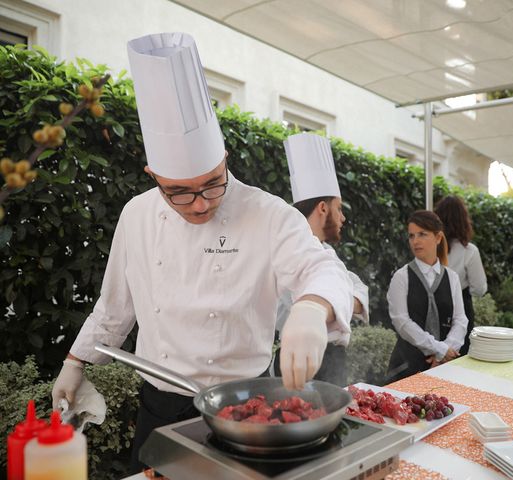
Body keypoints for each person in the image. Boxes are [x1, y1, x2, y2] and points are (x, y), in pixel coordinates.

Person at [49, 32, 352, 473]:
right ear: (154, 175)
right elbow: (115, 308)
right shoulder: (136, 216)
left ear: (225, 159)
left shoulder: (267, 212)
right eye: (179, 192)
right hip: (159, 407)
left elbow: (321, 267)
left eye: (213, 183)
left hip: (247, 408)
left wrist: (312, 307)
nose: (200, 203)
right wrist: (75, 363)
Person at [273, 132, 369, 387]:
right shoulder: (284, 248)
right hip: (297, 358)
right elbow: (350, 293)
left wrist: (330, 303)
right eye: (339, 208)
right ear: (323, 208)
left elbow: (361, 289)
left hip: (333, 358)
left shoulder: (326, 253)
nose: (343, 218)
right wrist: (336, 302)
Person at [386, 210, 468, 383]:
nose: (415, 241)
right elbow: (402, 322)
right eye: (411, 236)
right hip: (407, 368)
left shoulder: (452, 277)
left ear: (438, 238)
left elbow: (460, 320)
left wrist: (445, 351)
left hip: (445, 368)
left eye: (422, 234)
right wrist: (438, 348)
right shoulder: (401, 277)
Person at [435, 195, 487, 355]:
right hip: (461, 309)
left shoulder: (429, 249)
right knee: (458, 360)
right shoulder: (469, 251)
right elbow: (480, 289)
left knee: (431, 359)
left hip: (431, 306)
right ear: (464, 221)